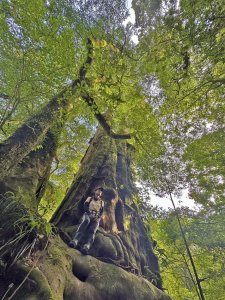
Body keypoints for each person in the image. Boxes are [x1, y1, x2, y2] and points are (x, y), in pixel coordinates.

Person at [69, 187, 104, 254]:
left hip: (96, 217)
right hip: (88, 214)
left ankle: (87, 246)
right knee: (86, 221)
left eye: (101, 192)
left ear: (101, 194)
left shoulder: (102, 202)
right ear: (95, 191)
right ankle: (75, 240)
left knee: (93, 230)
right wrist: (88, 212)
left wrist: (98, 217)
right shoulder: (90, 198)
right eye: (98, 190)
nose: (99, 192)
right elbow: (85, 205)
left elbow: (102, 211)